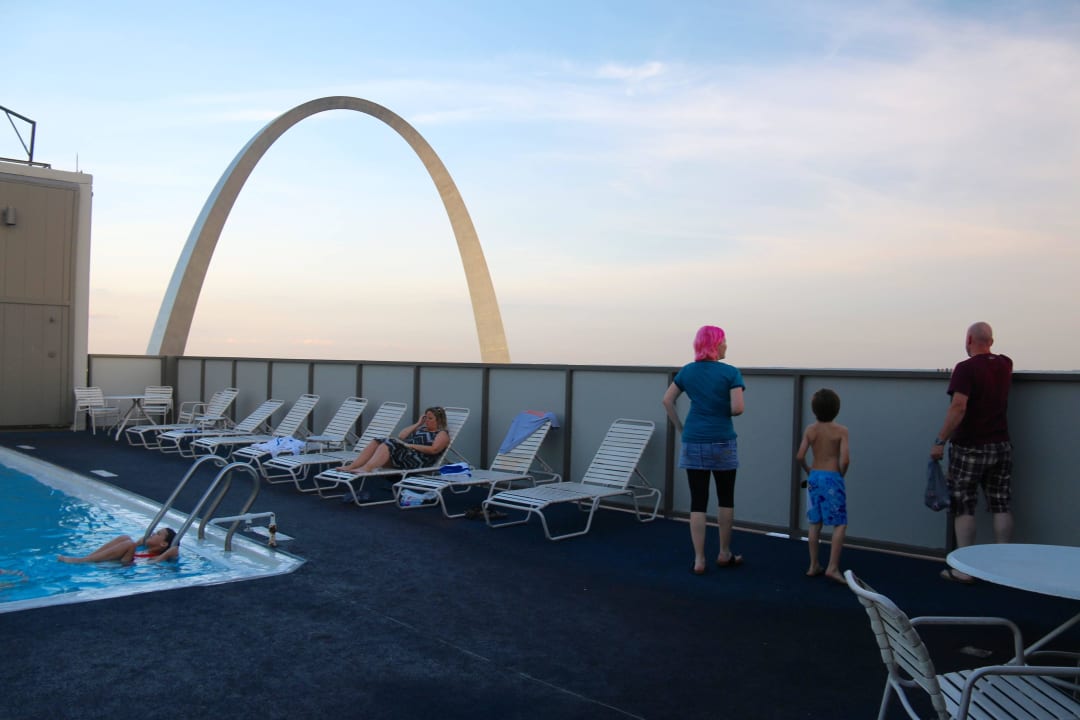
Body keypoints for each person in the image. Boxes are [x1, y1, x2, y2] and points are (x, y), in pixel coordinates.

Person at [930, 321, 1014, 584]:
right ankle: (1004, 567)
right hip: (1001, 444)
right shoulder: (1005, 364)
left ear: (968, 340)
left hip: (970, 446)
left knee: (964, 505)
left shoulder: (965, 369)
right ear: (992, 341)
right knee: (1001, 504)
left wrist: (940, 440)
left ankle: (964, 569)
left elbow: (959, 406)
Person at [662, 325, 746, 575]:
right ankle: (724, 552)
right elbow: (738, 408)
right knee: (725, 497)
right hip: (722, 440)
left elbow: (667, 400)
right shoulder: (730, 373)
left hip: (694, 439)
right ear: (716, 345)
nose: (726, 345)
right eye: (724, 341)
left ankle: (699, 559)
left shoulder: (688, 371)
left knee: (698, 501)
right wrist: (719, 409)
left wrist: (681, 428)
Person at [796, 388, 851, 585]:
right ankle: (832, 567)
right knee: (840, 523)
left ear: (814, 410)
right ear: (836, 409)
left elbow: (800, 456)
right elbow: (845, 459)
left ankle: (813, 565)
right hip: (832, 477)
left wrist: (809, 471)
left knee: (814, 523)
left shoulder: (810, 430)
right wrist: (841, 473)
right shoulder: (841, 431)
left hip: (814, 478)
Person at [340, 406, 450, 474]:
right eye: (426, 418)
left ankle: (367, 468)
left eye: (430, 418)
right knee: (377, 441)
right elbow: (401, 436)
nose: (427, 421)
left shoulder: (441, 434)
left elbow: (434, 450)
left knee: (389, 443)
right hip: (405, 455)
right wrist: (418, 423)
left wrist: (411, 446)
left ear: (439, 420)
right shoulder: (421, 429)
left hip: (417, 460)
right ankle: (353, 466)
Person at [57, 527, 178, 565]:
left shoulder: (156, 556)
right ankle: (88, 557)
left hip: (125, 566)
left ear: (164, 544)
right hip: (124, 560)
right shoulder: (144, 549)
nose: (153, 534)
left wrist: (169, 552)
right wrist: (139, 543)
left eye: (158, 534)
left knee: (129, 544)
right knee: (125, 537)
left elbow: (154, 562)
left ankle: (82, 561)